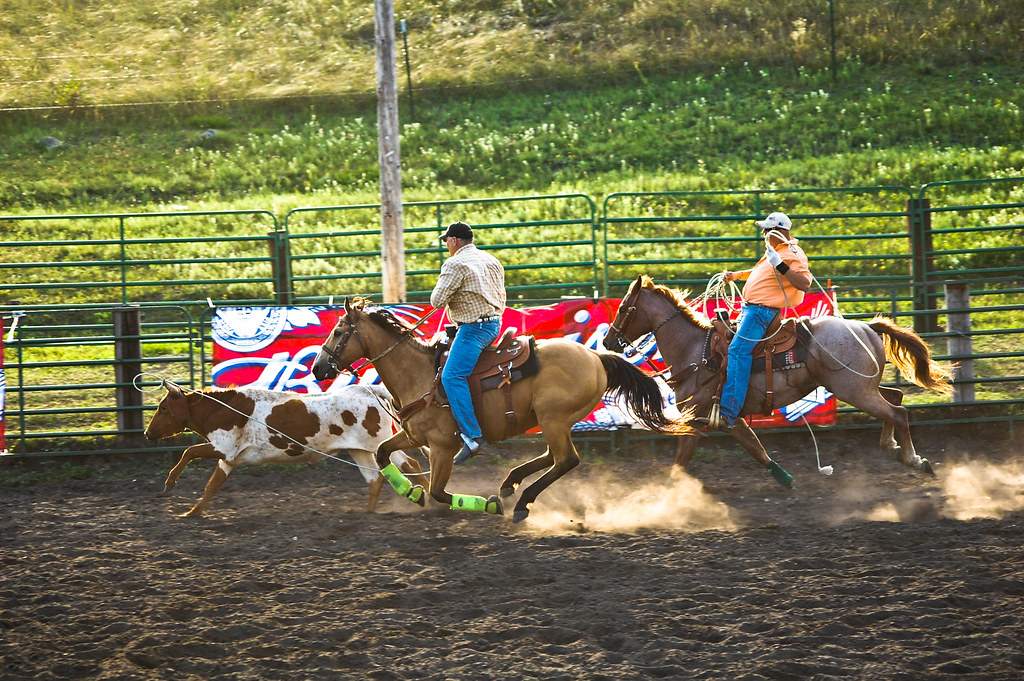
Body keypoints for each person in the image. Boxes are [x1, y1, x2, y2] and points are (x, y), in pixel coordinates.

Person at [697, 212, 813, 432]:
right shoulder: (777, 252)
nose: (763, 233)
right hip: (752, 311)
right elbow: (760, 272)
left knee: (738, 351)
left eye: (767, 229)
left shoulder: (791, 253)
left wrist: (781, 266)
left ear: (778, 231)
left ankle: (728, 414)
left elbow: (805, 283)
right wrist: (737, 275)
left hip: (760, 313)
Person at [430, 221, 507, 464]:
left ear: (453, 240)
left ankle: (473, 436)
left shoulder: (454, 263)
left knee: (451, 376)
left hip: (473, 328)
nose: (446, 246)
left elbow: (437, 301)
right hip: (495, 323)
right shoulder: (491, 259)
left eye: (447, 242)